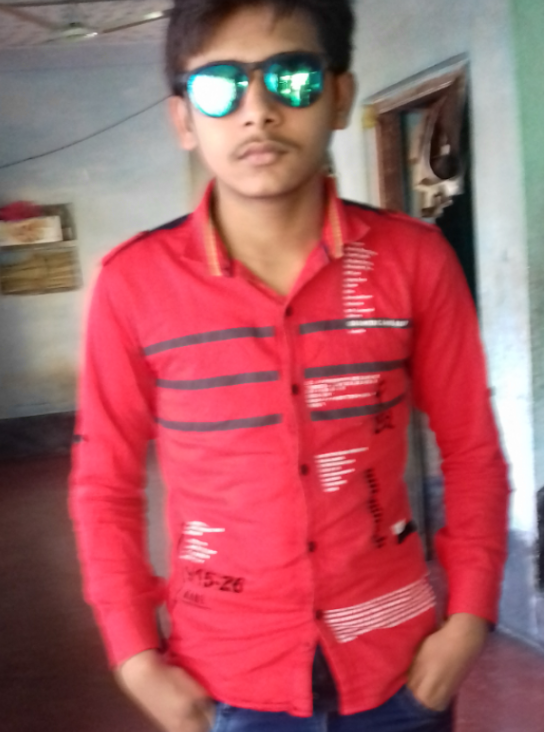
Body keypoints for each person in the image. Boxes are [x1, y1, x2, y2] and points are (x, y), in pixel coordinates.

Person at [69, 1, 510, 731]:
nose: (258, 110)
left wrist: (469, 618)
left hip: (400, 667)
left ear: (339, 96)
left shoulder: (413, 261)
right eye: (220, 86)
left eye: (293, 77)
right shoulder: (133, 285)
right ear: (183, 119)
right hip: (226, 680)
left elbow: (471, 451)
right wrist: (134, 655)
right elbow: (103, 485)